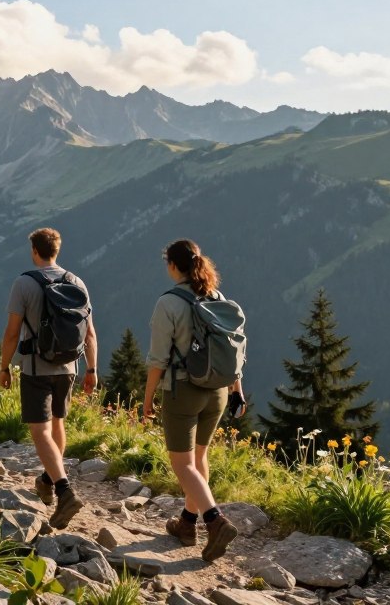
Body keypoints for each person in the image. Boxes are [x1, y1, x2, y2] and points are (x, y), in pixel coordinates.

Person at [144, 239, 246, 563]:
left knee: (182, 464)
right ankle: (187, 525)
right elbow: (231, 353)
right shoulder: (217, 297)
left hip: (183, 390)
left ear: (173, 266)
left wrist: (148, 399)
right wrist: (236, 390)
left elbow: (158, 359)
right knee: (199, 460)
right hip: (216, 391)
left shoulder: (169, 303)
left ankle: (215, 522)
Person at [0, 227, 98, 530]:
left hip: (36, 367)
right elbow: (90, 332)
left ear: (34, 251)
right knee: (58, 424)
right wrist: (92, 370)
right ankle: (47, 478)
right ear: (57, 250)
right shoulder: (75, 282)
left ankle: (65, 491)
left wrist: (4, 367)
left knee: (39, 431)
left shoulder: (24, 283)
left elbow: (13, 332)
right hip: (69, 367)